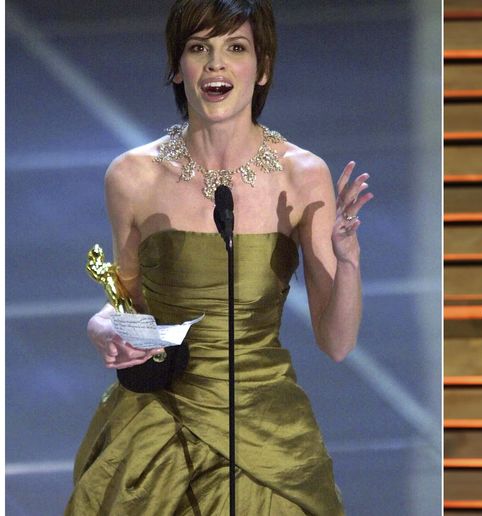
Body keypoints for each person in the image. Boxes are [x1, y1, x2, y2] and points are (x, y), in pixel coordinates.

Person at [66, 0, 370, 513]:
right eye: (198, 48)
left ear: (263, 66)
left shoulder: (302, 176)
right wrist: (102, 326)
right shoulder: (131, 176)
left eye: (236, 48)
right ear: (177, 67)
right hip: (157, 425)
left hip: (264, 428)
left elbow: (337, 343)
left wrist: (349, 261)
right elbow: (126, 299)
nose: (216, 65)